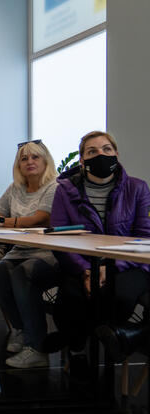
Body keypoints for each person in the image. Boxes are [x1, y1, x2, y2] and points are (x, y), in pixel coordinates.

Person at [45, 131, 150, 365]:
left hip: (128, 263)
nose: (100, 154)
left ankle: (78, 338)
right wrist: (87, 269)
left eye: (106, 149)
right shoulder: (66, 190)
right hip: (82, 262)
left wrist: (111, 267)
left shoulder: (138, 188)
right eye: (92, 151)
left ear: (116, 154)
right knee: (71, 296)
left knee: (118, 294)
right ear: (82, 160)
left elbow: (145, 237)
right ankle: (80, 348)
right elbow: (60, 237)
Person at [0, 140, 59, 368]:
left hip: (48, 252)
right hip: (19, 250)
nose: (29, 162)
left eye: (35, 157)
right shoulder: (15, 188)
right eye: (24, 159)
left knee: (21, 275)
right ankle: (20, 329)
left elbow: (40, 218)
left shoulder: (55, 186)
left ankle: (37, 347)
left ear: (45, 160)